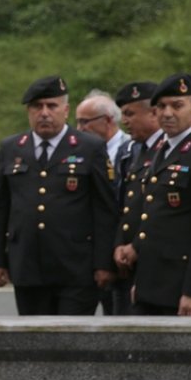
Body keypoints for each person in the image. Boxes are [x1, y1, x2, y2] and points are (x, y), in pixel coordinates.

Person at [0, 76, 117, 315]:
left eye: (52, 106)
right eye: (37, 107)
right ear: (28, 111)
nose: (44, 113)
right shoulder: (11, 148)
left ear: (65, 110)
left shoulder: (90, 148)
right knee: (33, 343)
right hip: (27, 265)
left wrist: (104, 263)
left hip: (76, 267)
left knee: (70, 342)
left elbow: (105, 209)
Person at [114, 74, 191, 315]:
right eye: (161, 106)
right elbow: (155, 218)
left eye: (177, 105)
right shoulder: (163, 149)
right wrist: (143, 282)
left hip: (185, 290)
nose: (167, 113)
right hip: (155, 285)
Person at [76, 90, 132, 315]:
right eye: (77, 121)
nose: (79, 128)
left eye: (84, 122)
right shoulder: (79, 150)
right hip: (87, 254)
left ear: (108, 120)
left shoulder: (131, 149)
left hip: (122, 253)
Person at [108, 81, 162, 314]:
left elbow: (160, 210)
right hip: (129, 262)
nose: (124, 121)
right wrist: (120, 243)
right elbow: (125, 205)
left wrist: (136, 246)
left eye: (130, 114)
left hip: (156, 258)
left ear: (153, 113)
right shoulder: (133, 150)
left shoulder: (166, 150)